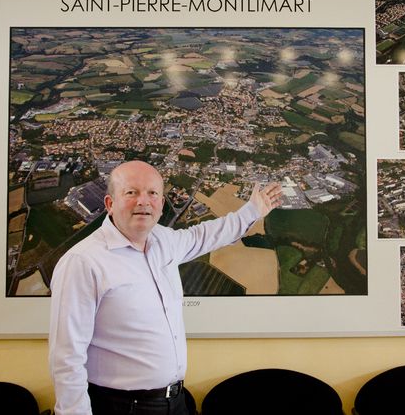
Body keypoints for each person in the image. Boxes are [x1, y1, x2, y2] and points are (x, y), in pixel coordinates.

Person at [49, 160, 283, 415]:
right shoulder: (83, 262)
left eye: (153, 193)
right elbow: (66, 358)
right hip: (120, 407)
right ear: (109, 204)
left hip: (175, 402)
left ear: (161, 204)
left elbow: (205, 235)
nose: (143, 201)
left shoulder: (164, 241)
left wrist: (251, 211)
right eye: (131, 192)